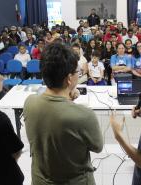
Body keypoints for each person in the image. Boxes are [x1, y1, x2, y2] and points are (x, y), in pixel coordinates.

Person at [23, 43, 103, 185]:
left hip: (40, 179)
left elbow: (53, 113)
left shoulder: (29, 103)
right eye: (77, 71)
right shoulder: (84, 115)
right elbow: (97, 146)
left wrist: (67, 97)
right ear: (69, 79)